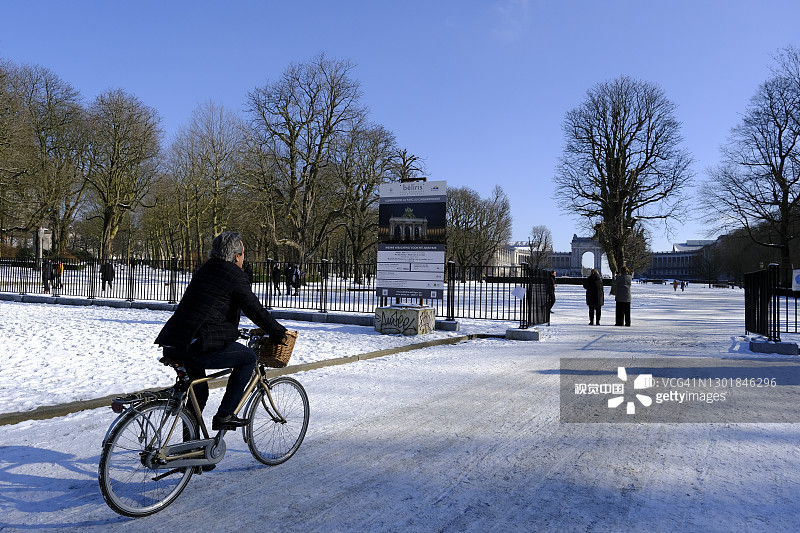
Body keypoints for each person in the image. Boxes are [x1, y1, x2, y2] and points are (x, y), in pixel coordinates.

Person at [155, 231, 287, 431]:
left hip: (175, 341)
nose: (244, 258)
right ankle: (226, 414)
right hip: (197, 344)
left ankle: (192, 451)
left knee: (198, 394)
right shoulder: (233, 274)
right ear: (236, 256)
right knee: (248, 358)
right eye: (243, 254)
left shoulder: (206, 269)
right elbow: (255, 309)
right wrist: (278, 332)